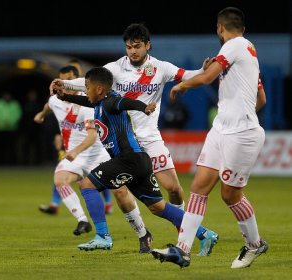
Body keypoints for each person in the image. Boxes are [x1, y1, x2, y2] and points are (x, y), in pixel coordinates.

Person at [50, 23, 218, 255]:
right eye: (128, 47)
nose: (132, 51)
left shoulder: (160, 68)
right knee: (149, 203)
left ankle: (107, 236)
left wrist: (201, 70)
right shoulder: (114, 70)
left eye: (137, 46)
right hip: (126, 145)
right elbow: (90, 85)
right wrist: (66, 86)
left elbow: (184, 75)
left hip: (146, 141)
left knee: (173, 189)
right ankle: (155, 235)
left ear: (148, 45)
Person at [151, 7, 268, 269]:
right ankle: (182, 250)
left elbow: (206, 77)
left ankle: (254, 244)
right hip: (221, 129)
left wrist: (181, 85)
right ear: (243, 28)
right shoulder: (247, 53)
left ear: (219, 28)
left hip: (242, 133)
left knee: (230, 195)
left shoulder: (234, 45)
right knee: (199, 187)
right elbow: (261, 99)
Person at [38, 66, 114, 216]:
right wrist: (41, 115)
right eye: (62, 80)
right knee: (62, 176)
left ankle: (109, 205)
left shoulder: (87, 101)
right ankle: (64, 209)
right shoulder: (56, 100)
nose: (65, 84)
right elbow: (49, 106)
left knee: (111, 187)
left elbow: (92, 133)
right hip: (72, 151)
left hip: (94, 150)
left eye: (69, 80)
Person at [0, 91, 22, 165]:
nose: (7, 97)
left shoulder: (15, 104)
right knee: (0, 147)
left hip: (11, 129)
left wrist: (11, 122)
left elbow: (18, 115)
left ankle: (11, 163)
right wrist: (0, 122)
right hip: (0, 128)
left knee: (11, 147)